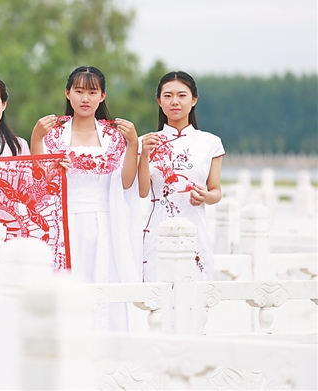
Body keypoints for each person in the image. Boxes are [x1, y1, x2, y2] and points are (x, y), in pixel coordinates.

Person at [30, 65, 142, 330]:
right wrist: (36, 137)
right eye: (79, 91)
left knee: (104, 281)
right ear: (67, 94)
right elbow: (40, 179)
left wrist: (134, 144)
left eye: (92, 92)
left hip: (105, 222)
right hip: (64, 220)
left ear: (102, 96)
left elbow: (126, 182)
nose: (85, 98)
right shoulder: (53, 134)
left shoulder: (114, 135)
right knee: (67, 284)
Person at [139, 71, 224, 282]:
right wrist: (143, 154)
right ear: (159, 101)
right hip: (157, 231)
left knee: (195, 300)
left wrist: (205, 196)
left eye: (181, 95)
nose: (174, 101)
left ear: (194, 100)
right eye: (167, 96)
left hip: (196, 231)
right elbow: (141, 191)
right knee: (157, 304)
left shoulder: (210, 143)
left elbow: (216, 191)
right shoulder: (147, 142)